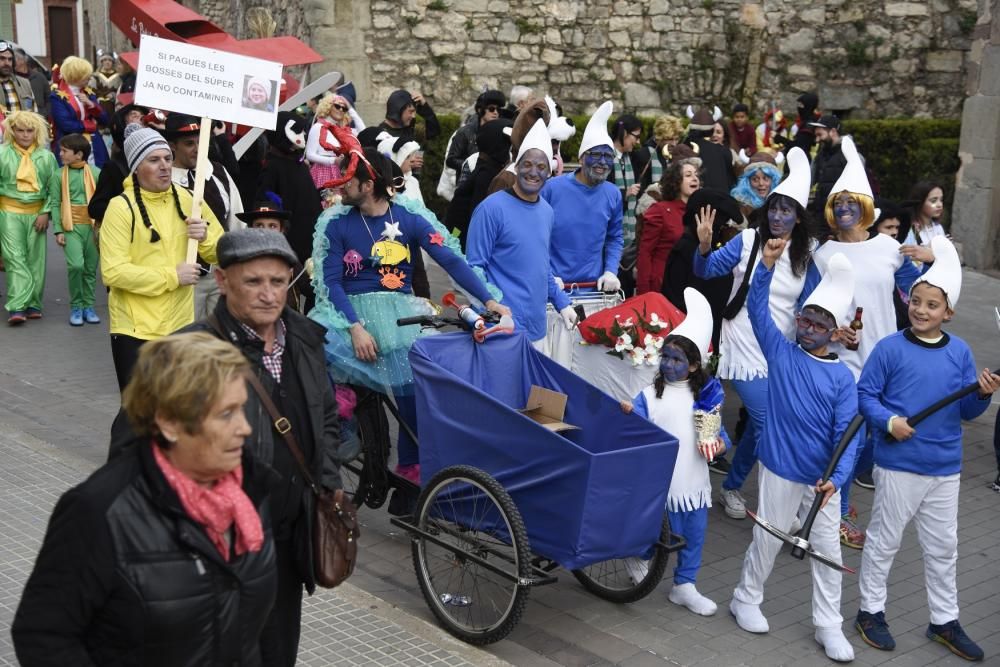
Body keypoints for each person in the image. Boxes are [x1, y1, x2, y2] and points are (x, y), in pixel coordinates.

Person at [12, 333, 277, 666]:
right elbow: (43, 636)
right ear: (168, 422)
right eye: (226, 414)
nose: (245, 428)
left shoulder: (251, 490)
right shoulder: (98, 511)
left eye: (242, 408)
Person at [183, 229, 343, 666]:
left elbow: (326, 415)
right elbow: (141, 451)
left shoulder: (306, 339)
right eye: (253, 282)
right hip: (223, 544)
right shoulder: (190, 353)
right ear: (222, 280)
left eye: (278, 281)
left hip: (291, 534)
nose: (268, 295)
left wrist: (327, 482)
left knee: (278, 648)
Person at [312, 147, 506, 484]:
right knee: (309, 339)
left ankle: (411, 470)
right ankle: (341, 424)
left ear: (368, 184)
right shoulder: (335, 222)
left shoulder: (410, 217)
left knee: (415, 390)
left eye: (347, 179)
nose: (338, 186)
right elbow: (330, 284)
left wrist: (490, 301)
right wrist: (355, 329)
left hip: (399, 313)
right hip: (349, 314)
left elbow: (452, 261)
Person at [855, 237, 999, 662]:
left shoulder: (960, 352)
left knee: (943, 546)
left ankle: (944, 620)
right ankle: (869, 611)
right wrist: (889, 422)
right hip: (899, 464)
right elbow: (866, 396)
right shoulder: (889, 348)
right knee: (884, 541)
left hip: (945, 467)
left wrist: (985, 392)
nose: (920, 309)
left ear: (948, 312)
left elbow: (967, 411)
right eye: (916, 300)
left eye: (932, 305)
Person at [730, 247, 860, 663]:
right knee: (767, 538)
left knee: (827, 553)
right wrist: (765, 267)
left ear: (836, 333)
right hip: (781, 468)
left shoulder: (843, 378)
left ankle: (828, 625)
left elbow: (848, 437)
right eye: (805, 318)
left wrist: (835, 480)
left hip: (823, 483)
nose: (808, 328)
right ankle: (745, 598)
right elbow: (756, 308)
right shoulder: (781, 352)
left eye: (820, 325)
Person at [811, 136, 927, 548]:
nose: (843, 210)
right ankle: (836, 512)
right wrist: (830, 333)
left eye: (851, 203)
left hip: (887, 355)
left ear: (865, 207)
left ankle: (831, 490)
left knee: (875, 438)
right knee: (851, 436)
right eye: (837, 204)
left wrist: (930, 261)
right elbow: (810, 309)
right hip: (843, 360)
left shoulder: (889, 247)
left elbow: (916, 291)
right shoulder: (822, 254)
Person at [695, 149, 819, 519]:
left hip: (780, 348)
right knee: (769, 423)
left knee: (759, 426)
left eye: (787, 210)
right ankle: (781, 507)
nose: (779, 216)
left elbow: (812, 305)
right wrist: (704, 245)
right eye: (775, 208)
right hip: (743, 341)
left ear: (798, 217)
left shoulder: (807, 254)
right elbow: (706, 270)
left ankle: (731, 486)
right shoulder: (748, 241)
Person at [623, 288, 729, 616]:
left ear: (695, 365)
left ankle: (685, 585)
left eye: (677, 360)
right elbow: (636, 431)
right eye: (666, 357)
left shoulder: (707, 400)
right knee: (653, 531)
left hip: (693, 480)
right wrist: (626, 415)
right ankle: (637, 558)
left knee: (693, 534)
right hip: (660, 481)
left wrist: (720, 443)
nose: (668, 364)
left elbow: (719, 435)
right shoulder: (648, 395)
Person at [100, 123, 224, 390]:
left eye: (167, 158)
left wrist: (206, 237)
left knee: (177, 412)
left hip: (180, 325)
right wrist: (172, 276)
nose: (165, 166)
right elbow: (113, 272)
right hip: (134, 330)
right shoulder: (120, 208)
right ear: (136, 167)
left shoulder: (191, 199)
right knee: (138, 417)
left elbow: (221, 252)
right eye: (154, 160)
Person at [468, 118, 572, 345]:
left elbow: (542, 266)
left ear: (549, 172)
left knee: (534, 383)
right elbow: (474, 269)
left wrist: (561, 302)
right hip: (500, 328)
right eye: (527, 164)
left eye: (541, 167)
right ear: (516, 166)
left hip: (538, 329)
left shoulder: (546, 211)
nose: (533, 172)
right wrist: (489, 310)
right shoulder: (490, 209)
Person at [165, 113, 245, 319]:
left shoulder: (218, 172)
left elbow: (236, 219)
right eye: (189, 143)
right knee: (190, 340)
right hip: (185, 277)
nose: (198, 148)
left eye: (201, 141)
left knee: (221, 338)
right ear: (173, 146)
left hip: (221, 272)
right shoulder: (164, 182)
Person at [541, 101, 623, 293]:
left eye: (608, 156)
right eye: (595, 154)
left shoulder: (613, 193)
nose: (602, 162)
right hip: (553, 288)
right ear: (581, 158)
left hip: (594, 290)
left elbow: (615, 237)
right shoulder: (551, 189)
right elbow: (536, 237)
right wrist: (546, 275)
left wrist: (611, 271)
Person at [0, 111, 58, 324]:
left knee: (36, 259)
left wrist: (45, 212)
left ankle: (34, 302)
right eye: (20, 130)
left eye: (30, 130)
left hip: (36, 213)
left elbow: (54, 189)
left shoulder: (47, 157)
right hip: (8, 212)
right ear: (12, 131)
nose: (25, 135)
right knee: (14, 258)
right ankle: (17, 305)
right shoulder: (1, 153)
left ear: (37, 132)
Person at [256, 111, 320, 267]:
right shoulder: (273, 165)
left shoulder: (298, 163)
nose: (303, 135)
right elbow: (265, 198)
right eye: (298, 131)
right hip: (291, 236)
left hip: (310, 233)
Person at [54, 133, 101, 326]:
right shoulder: (58, 175)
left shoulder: (96, 173)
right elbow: (56, 203)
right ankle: (76, 305)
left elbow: (104, 201)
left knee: (90, 269)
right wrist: (58, 230)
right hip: (70, 226)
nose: (60, 153)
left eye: (65, 151)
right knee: (76, 266)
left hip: (92, 227)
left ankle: (88, 306)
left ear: (79, 154)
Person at [637, 158, 700, 295]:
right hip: (662, 284)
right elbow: (645, 253)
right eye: (688, 175)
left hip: (690, 286)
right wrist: (644, 293)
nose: (695, 178)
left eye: (696, 175)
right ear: (676, 182)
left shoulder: (699, 212)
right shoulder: (660, 210)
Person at [86, 102, 147, 223]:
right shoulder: (114, 167)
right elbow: (95, 208)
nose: (141, 118)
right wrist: (127, 209)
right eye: (134, 115)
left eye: (143, 116)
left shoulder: (165, 159)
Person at [50, 56, 109, 168]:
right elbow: (65, 124)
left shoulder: (89, 93)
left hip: (94, 145)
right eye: (86, 75)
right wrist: (89, 125)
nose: (89, 78)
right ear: (76, 75)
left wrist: (92, 105)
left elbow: (105, 120)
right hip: (70, 146)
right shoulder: (57, 96)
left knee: (98, 177)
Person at [305, 93, 363, 195]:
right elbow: (309, 155)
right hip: (322, 173)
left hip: (341, 172)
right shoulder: (318, 127)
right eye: (337, 106)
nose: (341, 109)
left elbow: (363, 132)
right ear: (328, 106)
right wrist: (333, 160)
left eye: (344, 108)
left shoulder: (343, 131)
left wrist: (351, 109)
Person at [445, 89, 504, 176]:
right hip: (466, 182)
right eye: (491, 109)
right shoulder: (465, 132)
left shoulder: (500, 133)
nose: (495, 112)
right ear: (480, 110)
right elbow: (451, 160)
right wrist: (472, 166)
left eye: (498, 109)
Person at [685, 106, 734, 193]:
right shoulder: (724, 151)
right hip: (721, 201)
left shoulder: (682, 148)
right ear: (711, 131)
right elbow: (731, 182)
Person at [808, 115, 846, 215]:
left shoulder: (849, 155)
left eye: (820, 135)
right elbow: (809, 181)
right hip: (822, 214)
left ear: (833, 132)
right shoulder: (820, 156)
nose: (817, 140)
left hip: (842, 216)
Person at [730, 149, 783, 218]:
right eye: (755, 179)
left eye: (765, 179)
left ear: (774, 180)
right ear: (747, 182)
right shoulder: (743, 207)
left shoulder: (782, 203)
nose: (761, 183)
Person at [900, 181, 946, 248]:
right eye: (933, 201)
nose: (939, 205)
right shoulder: (908, 230)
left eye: (941, 200)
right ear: (920, 202)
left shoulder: (938, 227)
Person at [0, 41, 35, 113]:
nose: (7, 63)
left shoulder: (25, 83)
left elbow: (33, 111)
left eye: (10, 59)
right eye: (2, 58)